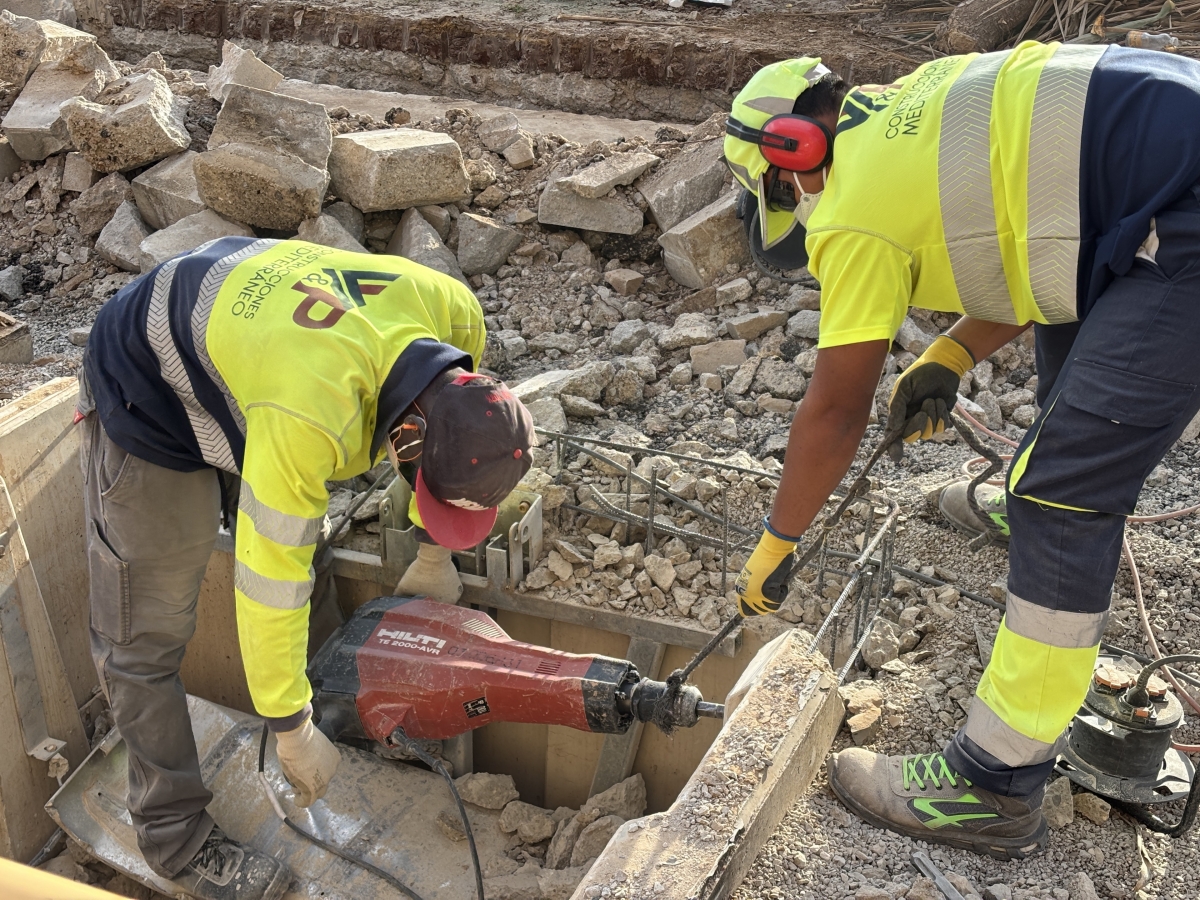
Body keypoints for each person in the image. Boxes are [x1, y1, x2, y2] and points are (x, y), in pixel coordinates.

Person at [726, 44, 1200, 859]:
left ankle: (994, 784)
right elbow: (1039, 236)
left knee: (1060, 488)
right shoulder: (916, 108)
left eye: (780, 192)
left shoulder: (848, 205)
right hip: (1157, 192)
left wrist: (778, 542)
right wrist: (950, 355)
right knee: (1066, 368)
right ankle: (1043, 544)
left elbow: (835, 412)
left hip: (1183, 222)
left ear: (794, 152)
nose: (796, 211)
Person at [79, 236, 534, 899]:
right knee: (142, 638)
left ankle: (333, 717)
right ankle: (174, 835)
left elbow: (450, 441)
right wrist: (289, 730)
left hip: (251, 350)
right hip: (149, 380)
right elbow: (269, 584)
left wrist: (435, 550)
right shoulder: (308, 413)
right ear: (406, 435)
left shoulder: (454, 314)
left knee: (308, 549)